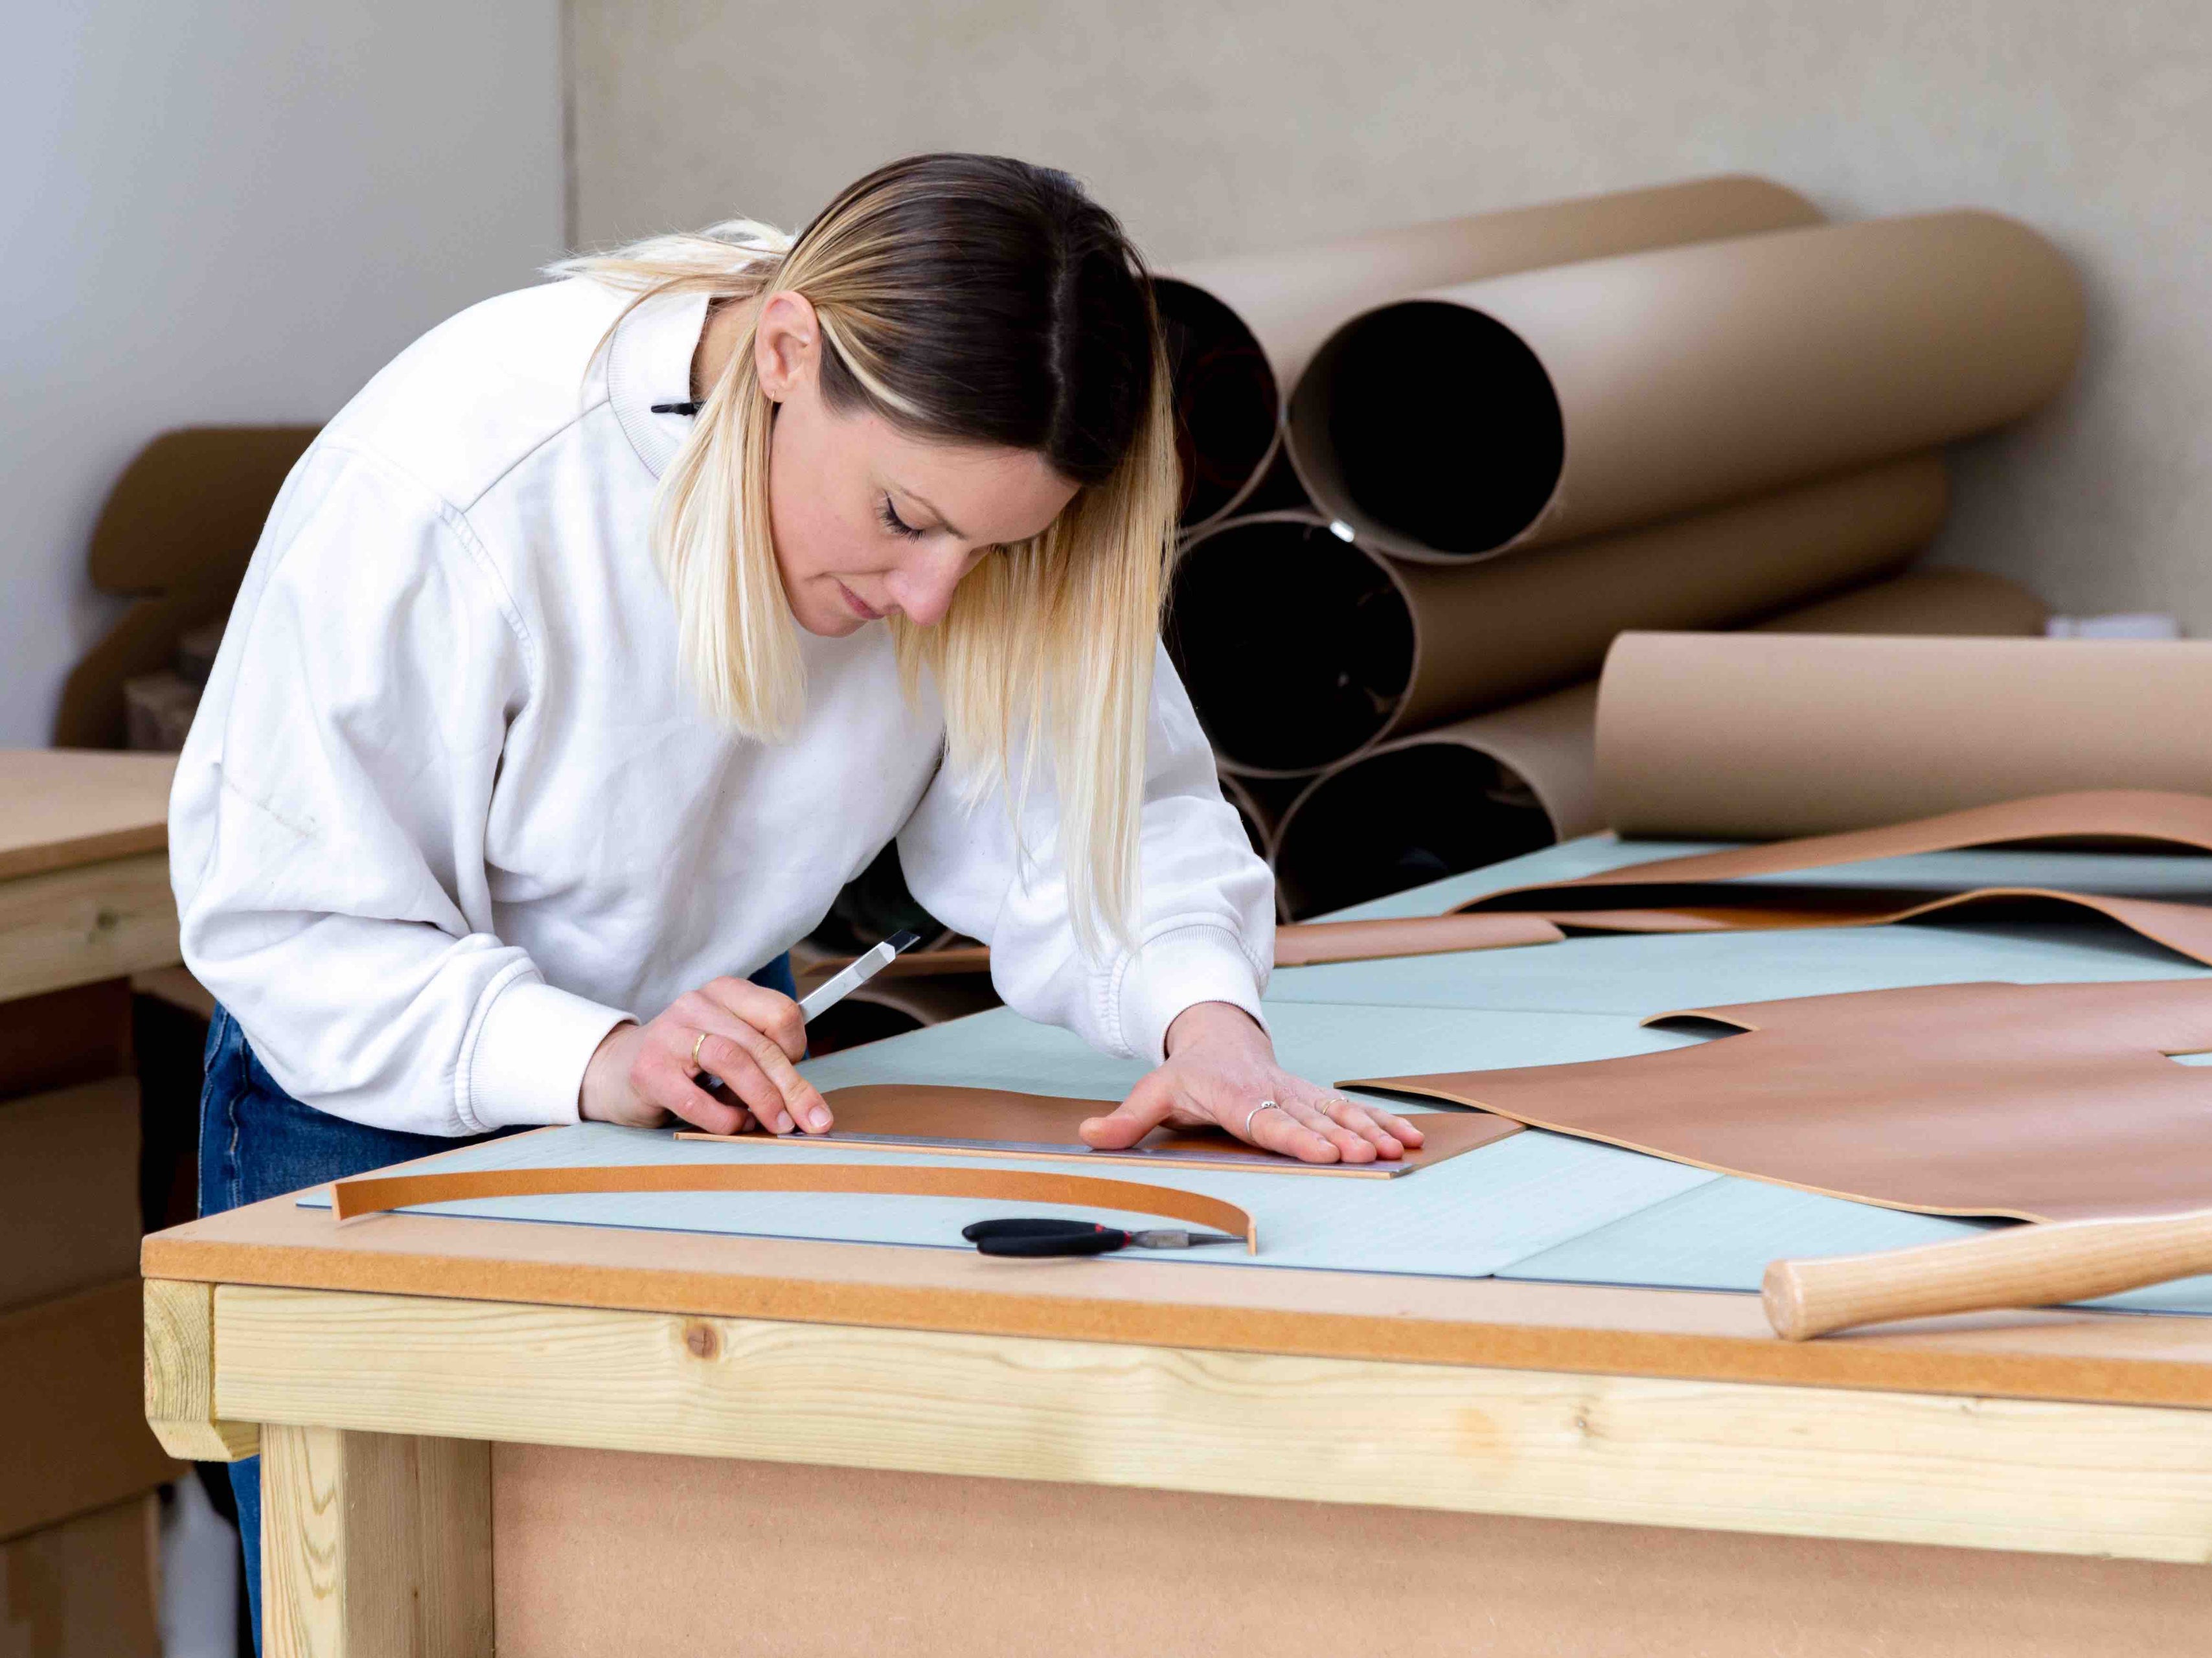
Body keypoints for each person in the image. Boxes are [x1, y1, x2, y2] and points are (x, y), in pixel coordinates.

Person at [169, 152, 1422, 1646]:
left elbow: (1101, 810)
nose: (938, 596)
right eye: (902, 515)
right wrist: (596, 1053)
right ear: (784, 354)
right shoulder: (461, 477)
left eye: (997, 545)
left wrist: (1205, 1023)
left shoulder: (962, 521)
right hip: (370, 1092)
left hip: (685, 1091)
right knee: (393, 1610)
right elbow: (295, 925)